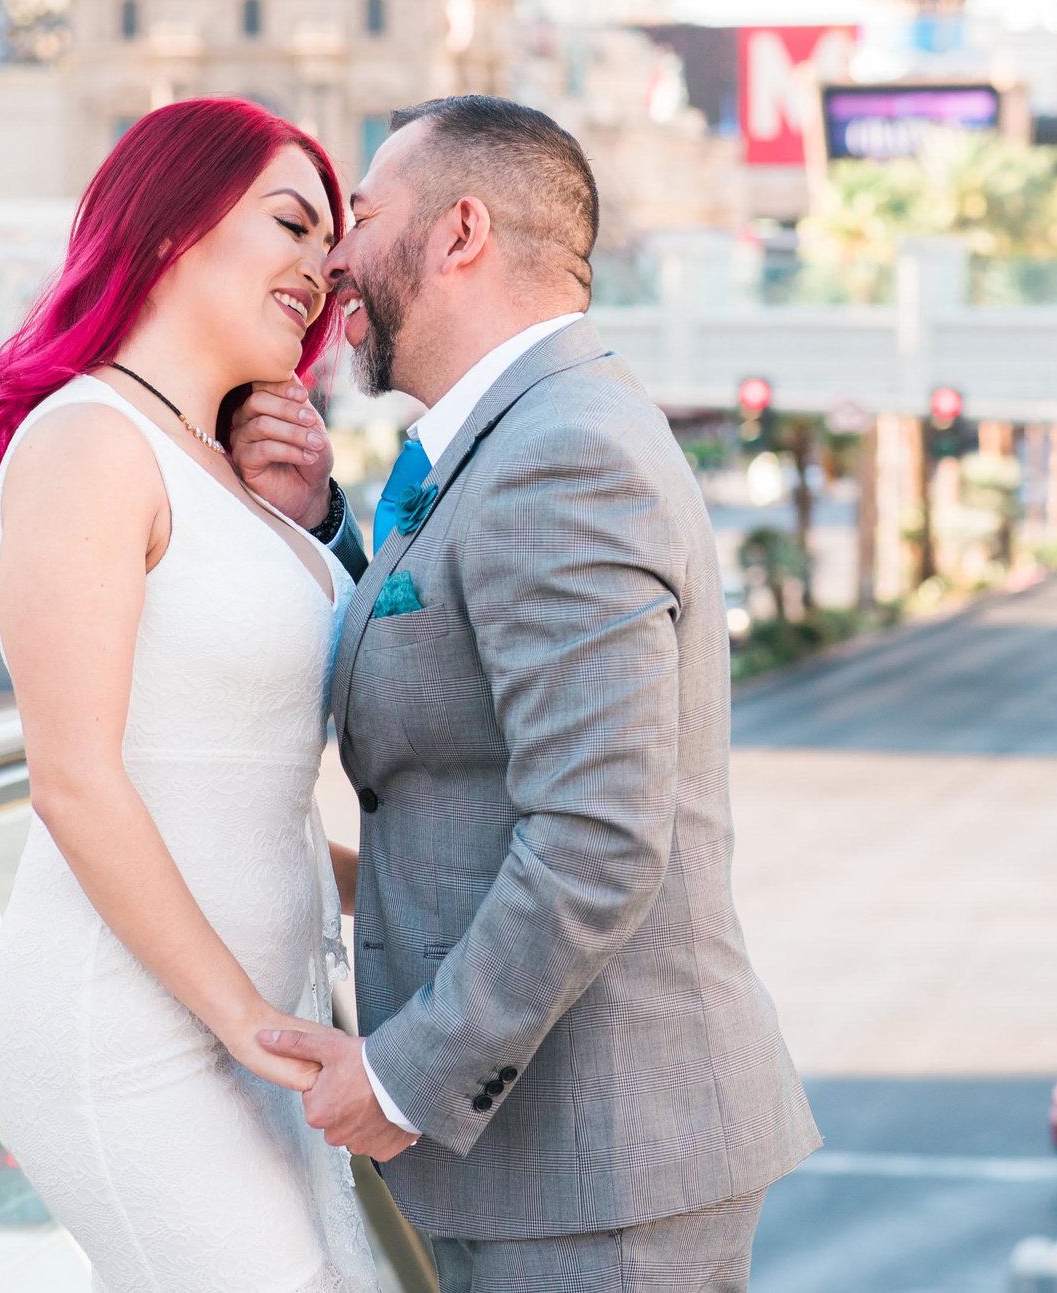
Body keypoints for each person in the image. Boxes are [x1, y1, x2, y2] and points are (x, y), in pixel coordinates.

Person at [256, 96, 819, 1292]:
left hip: (600, 1173)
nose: (339, 258)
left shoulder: (562, 452)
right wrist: (331, 531)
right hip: (548, 1168)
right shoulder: (514, 438)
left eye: (361, 216)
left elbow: (596, 837)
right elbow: (466, 664)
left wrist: (404, 1071)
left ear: (460, 232)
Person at [0, 96, 381, 1291]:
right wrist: (248, 1027)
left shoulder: (234, 475)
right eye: (291, 224)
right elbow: (77, 783)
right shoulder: (89, 442)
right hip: (135, 1029)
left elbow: (249, 789)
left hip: (260, 1025)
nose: (322, 264)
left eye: (331, 242)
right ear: (168, 225)